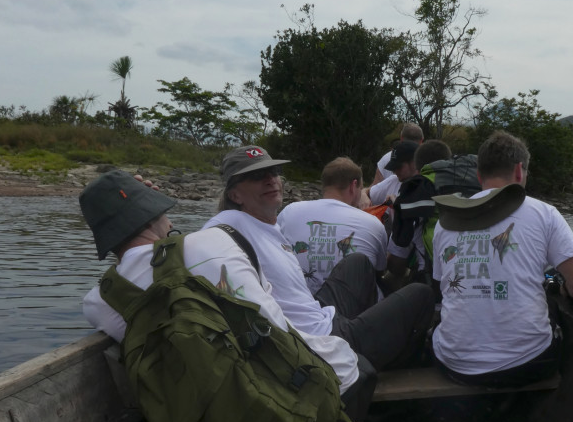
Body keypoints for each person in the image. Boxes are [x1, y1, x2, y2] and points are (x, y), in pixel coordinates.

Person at [79, 170, 362, 406]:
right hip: (283, 393)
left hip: (209, 416)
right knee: (360, 368)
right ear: (153, 216)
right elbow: (278, 326)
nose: (171, 219)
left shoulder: (98, 302)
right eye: (163, 211)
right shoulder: (215, 241)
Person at [205, 146, 435, 375]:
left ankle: (363, 336)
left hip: (316, 315)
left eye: (273, 172)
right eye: (256, 176)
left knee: (358, 262)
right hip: (319, 341)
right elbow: (388, 269)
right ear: (234, 194)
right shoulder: (226, 229)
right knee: (422, 294)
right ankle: (391, 367)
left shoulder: (278, 219)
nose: (270, 180)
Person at [431, 131, 573, 387]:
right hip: (528, 365)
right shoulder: (544, 213)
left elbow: (441, 287)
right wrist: (564, 290)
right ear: (519, 171)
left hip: (455, 365)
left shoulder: (446, 221)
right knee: (550, 307)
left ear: (479, 176)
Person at [278, 156, 387, 296]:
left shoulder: (289, 212)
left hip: (297, 305)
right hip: (353, 313)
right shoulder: (373, 223)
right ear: (353, 186)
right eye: (361, 188)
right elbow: (380, 270)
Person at [386, 139, 453, 281]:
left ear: (417, 166)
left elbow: (394, 264)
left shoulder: (412, 197)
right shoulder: (470, 189)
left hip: (434, 287)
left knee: (389, 279)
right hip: (476, 280)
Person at [364, 140, 419, 208]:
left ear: (414, 163)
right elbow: (366, 191)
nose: (394, 171)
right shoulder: (394, 180)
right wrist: (364, 196)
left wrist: (397, 205)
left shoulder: (426, 187)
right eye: (393, 168)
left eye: (398, 167)